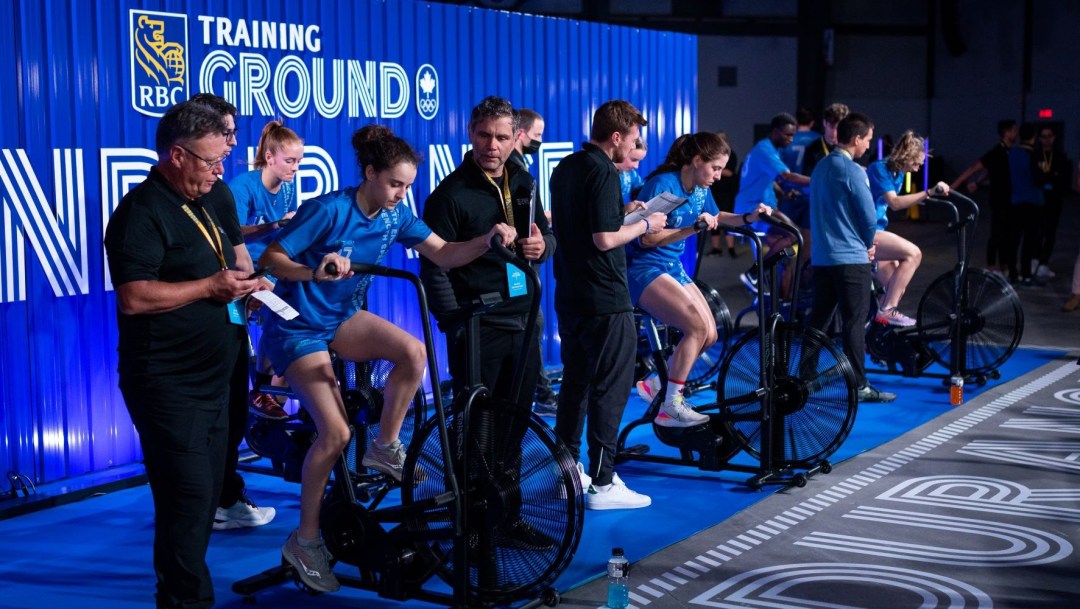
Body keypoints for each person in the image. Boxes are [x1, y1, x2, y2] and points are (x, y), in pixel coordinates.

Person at [258, 125, 514, 593]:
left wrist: (487, 241)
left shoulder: (396, 217)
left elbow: (445, 254)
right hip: (297, 327)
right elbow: (272, 257)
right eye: (395, 183)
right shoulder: (330, 210)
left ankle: (383, 446)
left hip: (341, 318)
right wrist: (312, 271)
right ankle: (305, 540)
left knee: (414, 352)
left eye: (408, 186)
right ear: (370, 173)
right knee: (334, 434)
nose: (402, 193)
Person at [104, 100, 263, 609]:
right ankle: (184, 600)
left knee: (208, 490)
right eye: (211, 161)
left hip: (220, 371)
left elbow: (231, 260)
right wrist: (209, 287)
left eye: (223, 160)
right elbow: (134, 296)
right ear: (177, 155)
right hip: (168, 383)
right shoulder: (140, 213)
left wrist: (247, 286)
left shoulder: (213, 196)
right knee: (187, 498)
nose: (221, 171)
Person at [550, 99, 667, 510]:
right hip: (604, 298)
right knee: (610, 390)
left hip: (572, 296)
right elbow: (603, 238)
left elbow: (586, 223)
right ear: (617, 137)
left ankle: (564, 473)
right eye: (634, 139)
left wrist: (624, 211)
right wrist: (646, 224)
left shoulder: (567, 167)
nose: (635, 146)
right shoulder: (602, 171)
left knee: (576, 385)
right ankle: (602, 482)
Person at [627, 132, 770, 419]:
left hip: (672, 267)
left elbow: (716, 217)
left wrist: (749, 218)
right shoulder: (664, 185)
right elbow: (645, 240)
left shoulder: (701, 189)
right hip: (644, 268)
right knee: (695, 327)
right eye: (715, 168)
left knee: (711, 332)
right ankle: (671, 406)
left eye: (720, 169)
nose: (719, 175)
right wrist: (694, 228)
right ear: (696, 160)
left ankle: (658, 383)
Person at [187, 94, 279, 532]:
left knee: (233, 411)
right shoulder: (158, 204)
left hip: (232, 321)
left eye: (231, 134)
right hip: (188, 336)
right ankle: (206, 502)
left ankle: (224, 496)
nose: (231, 144)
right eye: (224, 134)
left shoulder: (221, 192)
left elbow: (241, 259)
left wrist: (255, 283)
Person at [806, 111, 896, 403]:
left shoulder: (820, 168)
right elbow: (869, 218)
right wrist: (870, 243)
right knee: (854, 323)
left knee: (818, 321)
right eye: (868, 140)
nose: (869, 146)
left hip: (822, 258)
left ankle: (805, 379)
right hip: (851, 259)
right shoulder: (855, 171)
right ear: (856, 139)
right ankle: (858, 385)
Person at [230, 120, 304, 422]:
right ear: (269, 157)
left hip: (274, 272)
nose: (295, 168)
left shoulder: (286, 188)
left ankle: (272, 392)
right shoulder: (242, 188)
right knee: (286, 312)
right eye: (290, 161)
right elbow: (231, 238)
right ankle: (262, 390)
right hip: (244, 274)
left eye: (299, 161)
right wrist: (274, 225)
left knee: (308, 310)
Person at [505, 107, 560, 417]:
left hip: (524, 269)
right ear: (521, 134)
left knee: (532, 325)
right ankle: (540, 393)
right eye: (537, 136)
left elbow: (541, 231)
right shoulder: (515, 171)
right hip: (516, 272)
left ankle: (538, 392)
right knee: (531, 326)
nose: (540, 141)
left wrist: (543, 240)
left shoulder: (522, 170)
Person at [866, 130, 950, 326]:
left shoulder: (899, 174)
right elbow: (894, 203)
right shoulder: (880, 168)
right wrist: (928, 193)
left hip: (879, 228)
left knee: (896, 285)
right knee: (913, 254)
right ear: (905, 156)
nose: (918, 168)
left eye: (921, 165)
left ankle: (874, 327)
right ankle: (886, 312)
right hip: (866, 231)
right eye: (916, 163)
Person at [734, 113, 811, 296]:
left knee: (787, 257)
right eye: (787, 135)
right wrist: (821, 179)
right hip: (755, 207)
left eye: (793, 135)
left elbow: (771, 179)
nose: (790, 140)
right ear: (776, 131)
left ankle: (784, 305)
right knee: (795, 234)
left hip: (760, 205)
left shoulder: (768, 149)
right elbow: (787, 176)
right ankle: (754, 273)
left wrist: (784, 193)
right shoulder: (765, 149)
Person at [951, 119, 1018, 275]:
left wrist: (978, 182)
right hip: (999, 198)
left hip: (1010, 198)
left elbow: (991, 170)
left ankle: (1004, 266)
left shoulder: (1009, 151)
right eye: (1014, 130)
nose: (1016, 133)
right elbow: (974, 168)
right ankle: (992, 267)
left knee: (1006, 232)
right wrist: (953, 186)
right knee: (997, 233)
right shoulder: (997, 151)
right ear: (1007, 133)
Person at [1005, 123, 1043, 286]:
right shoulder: (1033, 154)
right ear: (1034, 137)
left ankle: (1013, 274)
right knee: (1029, 241)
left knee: (1014, 239)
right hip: (1032, 201)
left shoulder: (1012, 153)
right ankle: (1026, 274)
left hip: (1015, 201)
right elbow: (1038, 179)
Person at [1033, 125, 1071, 280]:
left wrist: (1051, 180)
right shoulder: (1035, 155)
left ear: (1054, 137)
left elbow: (1063, 179)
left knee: (1050, 232)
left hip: (1054, 200)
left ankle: (1044, 263)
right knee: (1036, 231)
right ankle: (1034, 260)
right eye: (1043, 136)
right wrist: (1048, 178)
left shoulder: (1060, 157)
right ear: (1039, 138)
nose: (1047, 139)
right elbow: (1035, 177)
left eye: (1049, 136)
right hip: (1038, 200)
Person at [708, 132, 740, 257]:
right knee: (713, 217)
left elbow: (730, 172)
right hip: (715, 191)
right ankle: (716, 248)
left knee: (728, 219)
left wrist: (714, 168)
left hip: (727, 192)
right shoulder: (712, 156)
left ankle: (731, 248)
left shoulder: (731, 155)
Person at [801, 103, 849, 180]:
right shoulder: (811, 149)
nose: (834, 133)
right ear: (824, 123)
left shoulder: (851, 149)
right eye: (831, 127)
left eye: (838, 128)